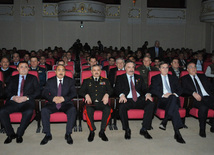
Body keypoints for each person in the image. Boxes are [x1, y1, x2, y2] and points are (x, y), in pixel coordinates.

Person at [0, 61, 40, 144]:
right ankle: (10, 134)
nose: (24, 69)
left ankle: (19, 134)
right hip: (14, 101)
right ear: (17, 68)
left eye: (26, 67)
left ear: (28, 68)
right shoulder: (12, 78)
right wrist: (13, 97)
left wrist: (27, 97)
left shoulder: (33, 78)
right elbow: (6, 91)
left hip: (26, 101)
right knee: (2, 111)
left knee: (28, 112)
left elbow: (37, 92)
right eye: (21, 67)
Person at [115, 60, 154, 140]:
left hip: (139, 99)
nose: (131, 69)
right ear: (125, 68)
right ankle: (127, 129)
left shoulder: (139, 77)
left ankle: (144, 129)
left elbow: (144, 88)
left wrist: (147, 94)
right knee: (122, 106)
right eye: (129, 67)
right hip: (127, 99)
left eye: (133, 67)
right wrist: (121, 95)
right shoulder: (120, 77)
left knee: (151, 104)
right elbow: (116, 89)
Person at [149, 62, 185, 144]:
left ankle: (174, 130)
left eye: (166, 67)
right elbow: (152, 89)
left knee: (173, 100)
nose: (165, 69)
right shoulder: (155, 78)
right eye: (163, 67)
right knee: (174, 107)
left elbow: (180, 89)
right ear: (159, 69)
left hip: (173, 99)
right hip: (162, 101)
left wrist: (173, 94)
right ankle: (174, 130)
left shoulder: (173, 78)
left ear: (168, 69)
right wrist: (162, 95)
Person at [40, 65, 77, 145]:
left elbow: (73, 93)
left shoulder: (70, 81)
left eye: (63, 70)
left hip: (65, 103)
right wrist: (53, 98)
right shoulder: (50, 81)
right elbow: (44, 93)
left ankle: (68, 134)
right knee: (44, 110)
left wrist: (64, 98)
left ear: (65, 72)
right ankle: (47, 134)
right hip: (53, 103)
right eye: (59, 70)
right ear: (55, 72)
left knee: (72, 110)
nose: (61, 72)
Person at [79, 64, 113, 142]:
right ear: (91, 71)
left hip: (102, 102)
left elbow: (111, 90)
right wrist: (86, 95)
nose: (96, 72)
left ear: (100, 71)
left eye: (98, 70)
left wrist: (107, 95)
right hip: (91, 102)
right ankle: (92, 131)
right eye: (94, 70)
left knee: (108, 109)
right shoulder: (87, 81)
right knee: (88, 110)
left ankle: (102, 131)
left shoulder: (105, 80)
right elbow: (81, 91)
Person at [181, 62, 214, 138]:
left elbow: (211, 87)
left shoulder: (203, 76)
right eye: (191, 67)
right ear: (187, 69)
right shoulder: (184, 78)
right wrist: (193, 93)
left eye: (195, 67)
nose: (194, 68)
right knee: (203, 108)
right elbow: (183, 90)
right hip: (195, 99)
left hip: (208, 97)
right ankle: (202, 129)